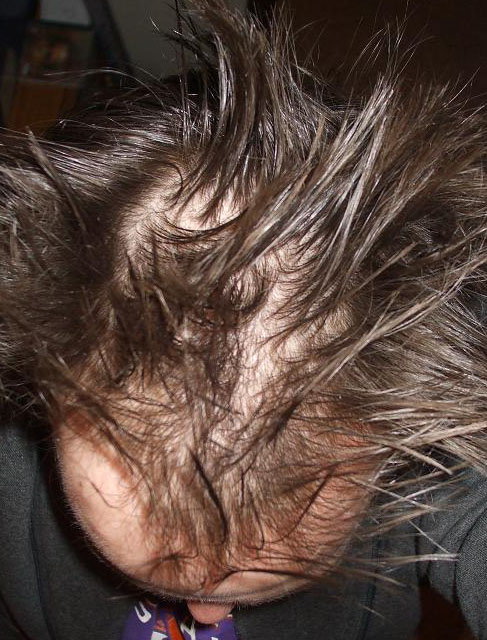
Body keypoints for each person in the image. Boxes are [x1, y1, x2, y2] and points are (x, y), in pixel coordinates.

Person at [1, 1, 487, 638]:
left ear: (391, 439)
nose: (206, 616)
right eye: (162, 584)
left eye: (271, 585)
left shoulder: (420, 427)